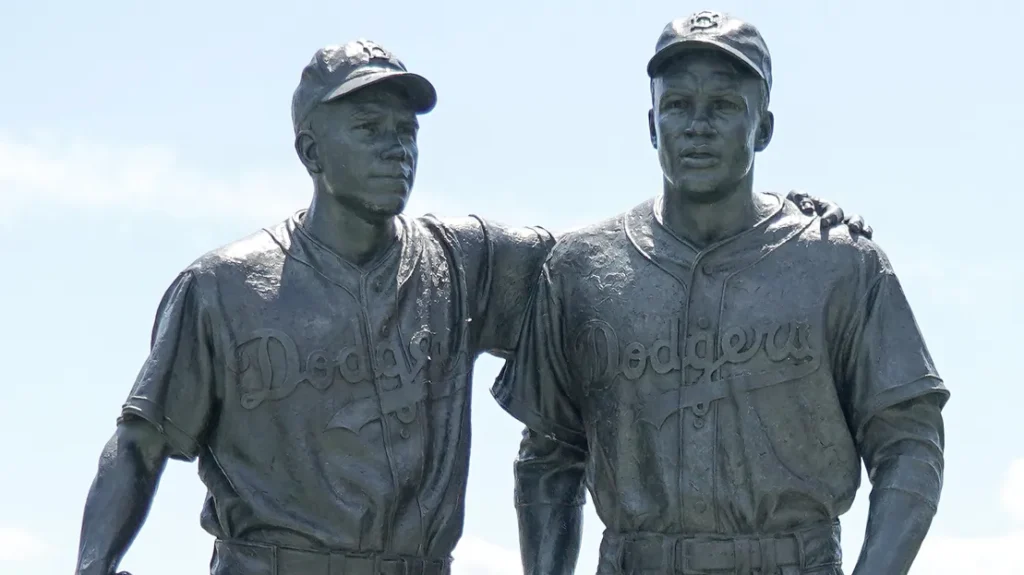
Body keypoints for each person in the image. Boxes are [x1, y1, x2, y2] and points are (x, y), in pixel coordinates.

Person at [74, 38, 868, 575]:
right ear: (311, 151)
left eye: (407, 131)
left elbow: (619, 267)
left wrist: (777, 223)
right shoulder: (223, 287)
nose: (398, 148)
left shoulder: (463, 257)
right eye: (370, 129)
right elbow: (140, 443)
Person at [492, 11, 947, 575]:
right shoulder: (579, 269)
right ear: (652, 124)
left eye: (724, 106)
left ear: (764, 127)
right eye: (677, 104)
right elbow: (549, 455)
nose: (696, 125)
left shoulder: (841, 264)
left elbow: (908, 441)